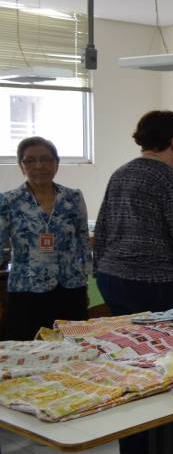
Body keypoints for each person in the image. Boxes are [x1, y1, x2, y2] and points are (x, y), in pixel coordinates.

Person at [93, 110, 173, 454]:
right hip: (157, 283)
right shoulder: (170, 180)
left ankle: (134, 443)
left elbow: (102, 228)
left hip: (114, 280)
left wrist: (101, 270)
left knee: (133, 358)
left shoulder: (121, 173)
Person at [0, 137, 89, 340]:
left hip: (70, 287)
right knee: (26, 346)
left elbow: (83, 240)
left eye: (46, 159)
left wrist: (85, 279)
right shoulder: (8, 201)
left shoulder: (73, 198)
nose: (39, 166)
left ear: (56, 163)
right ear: (21, 166)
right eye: (30, 161)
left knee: (74, 345)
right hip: (26, 289)